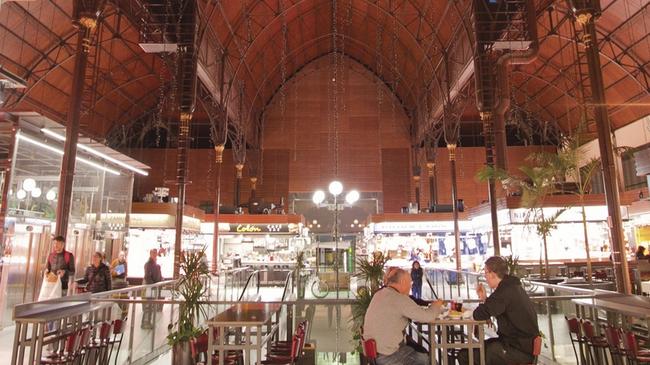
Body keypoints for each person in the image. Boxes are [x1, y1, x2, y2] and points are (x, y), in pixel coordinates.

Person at [458, 256, 539, 365]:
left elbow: (479, 314)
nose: (485, 277)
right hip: (519, 345)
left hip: (517, 349)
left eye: (485, 273)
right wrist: (484, 299)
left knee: (467, 355)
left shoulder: (505, 290)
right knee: (472, 351)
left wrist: (473, 311)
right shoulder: (511, 286)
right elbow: (491, 309)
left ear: (492, 273)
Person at [364, 268, 443, 365]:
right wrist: (437, 305)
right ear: (402, 281)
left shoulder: (380, 294)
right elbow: (427, 317)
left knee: (418, 350)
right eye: (410, 282)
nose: (411, 286)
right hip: (388, 357)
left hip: (376, 355)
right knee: (425, 359)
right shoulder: (398, 298)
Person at [142, 249, 163, 329]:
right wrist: (153, 285)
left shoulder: (155, 264)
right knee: (148, 306)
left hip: (153, 287)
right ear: (150, 254)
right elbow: (147, 276)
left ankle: (148, 322)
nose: (155, 255)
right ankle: (145, 322)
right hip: (150, 287)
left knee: (151, 306)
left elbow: (158, 276)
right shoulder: (148, 264)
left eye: (155, 253)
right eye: (153, 253)